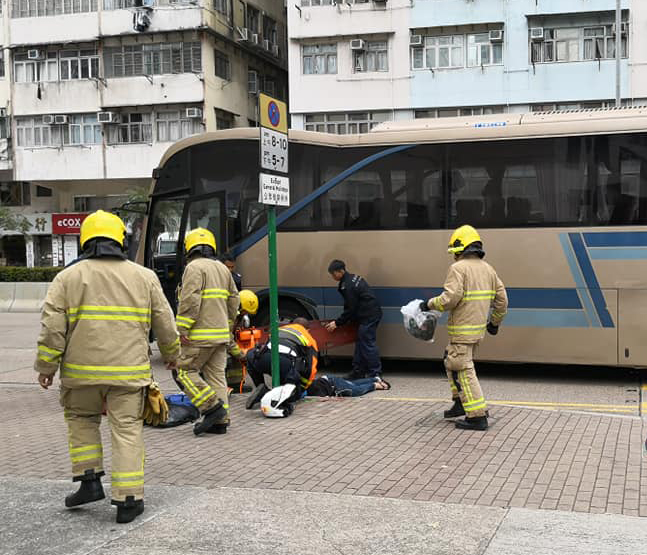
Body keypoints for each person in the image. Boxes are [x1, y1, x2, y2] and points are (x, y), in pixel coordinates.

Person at [35, 210, 179, 524]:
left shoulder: (67, 278)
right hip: (129, 373)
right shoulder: (144, 277)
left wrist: (46, 367)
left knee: (82, 421)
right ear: (121, 241)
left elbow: (52, 329)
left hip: (80, 374)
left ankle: (88, 482)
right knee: (127, 430)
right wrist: (172, 353)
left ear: (86, 239)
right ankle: (129, 500)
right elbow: (165, 322)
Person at [420, 225, 508, 431]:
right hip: (476, 331)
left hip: (462, 330)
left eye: (455, 252)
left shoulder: (458, 269)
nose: (454, 257)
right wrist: (494, 323)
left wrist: (429, 304)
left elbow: (450, 299)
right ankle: (460, 402)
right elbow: (502, 300)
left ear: (461, 249)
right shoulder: (488, 269)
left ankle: (477, 416)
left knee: (463, 369)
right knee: (450, 360)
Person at [175, 228, 240, 435]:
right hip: (221, 335)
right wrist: (228, 326)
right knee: (217, 377)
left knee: (183, 372)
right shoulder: (222, 269)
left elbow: (190, 300)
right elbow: (234, 299)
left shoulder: (194, 267)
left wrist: (182, 327)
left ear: (189, 248)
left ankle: (212, 408)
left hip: (199, 335)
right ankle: (221, 422)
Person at [325, 260, 383, 380]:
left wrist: (337, 323)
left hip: (369, 315)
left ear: (341, 271)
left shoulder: (348, 285)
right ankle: (358, 371)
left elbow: (351, 308)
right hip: (369, 313)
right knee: (360, 341)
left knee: (367, 343)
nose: (332, 277)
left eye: (333, 274)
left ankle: (375, 373)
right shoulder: (352, 278)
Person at [245, 317, 318, 409]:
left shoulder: (280, 329)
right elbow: (311, 369)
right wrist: (303, 388)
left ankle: (261, 387)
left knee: (250, 355)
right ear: (308, 330)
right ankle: (282, 397)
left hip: (264, 358)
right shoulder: (309, 339)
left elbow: (266, 346)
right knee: (293, 392)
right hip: (285, 362)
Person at [226, 289, 259, 392]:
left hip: (225, 341)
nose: (246, 314)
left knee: (237, 361)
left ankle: (235, 385)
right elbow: (227, 338)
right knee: (229, 359)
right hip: (218, 342)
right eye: (245, 312)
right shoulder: (230, 315)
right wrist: (241, 355)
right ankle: (230, 386)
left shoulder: (237, 315)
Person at [307, 375, 390, 397]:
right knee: (352, 384)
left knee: (355, 391)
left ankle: (375, 385)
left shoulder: (301, 389)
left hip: (331, 385)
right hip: (328, 380)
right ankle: (375, 379)